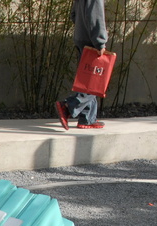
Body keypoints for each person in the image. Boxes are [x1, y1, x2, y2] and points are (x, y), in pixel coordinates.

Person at [55, 0, 108, 130]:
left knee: (88, 78)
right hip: (90, 40)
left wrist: (81, 27)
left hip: (81, 37)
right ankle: (68, 106)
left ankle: (87, 118)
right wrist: (100, 41)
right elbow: (96, 16)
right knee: (95, 82)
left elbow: (73, 15)